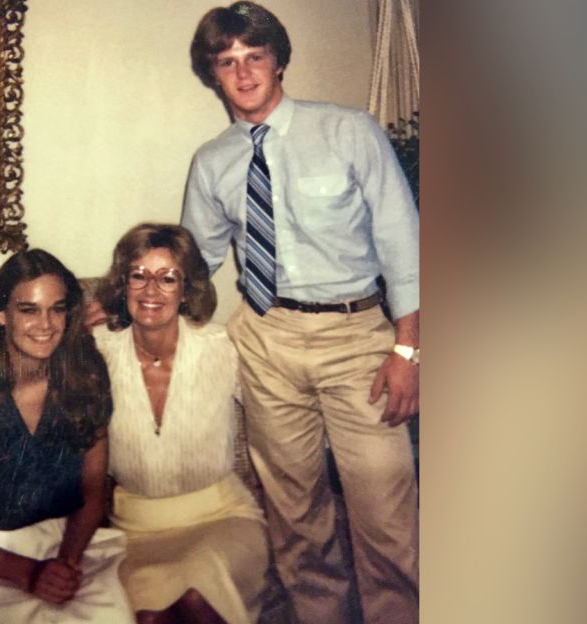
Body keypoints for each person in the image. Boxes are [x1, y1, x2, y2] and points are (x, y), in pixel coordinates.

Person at [181, 3, 420, 623]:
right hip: (266, 339)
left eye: (254, 56)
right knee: (296, 520)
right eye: (226, 62)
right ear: (213, 75)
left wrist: (408, 350)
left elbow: (406, 246)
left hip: (357, 338)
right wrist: (120, 304)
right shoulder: (212, 162)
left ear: (278, 60)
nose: (242, 72)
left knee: (386, 517)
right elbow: (195, 262)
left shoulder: (348, 130)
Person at [0, 249, 135, 623]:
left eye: (57, 308)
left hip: (70, 542)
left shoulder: (87, 376)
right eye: (28, 309)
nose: (45, 324)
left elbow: (94, 491)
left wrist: (64, 565)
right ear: (2, 315)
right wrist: (30, 574)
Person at [91, 223, 269, 624]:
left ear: (187, 290)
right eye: (139, 275)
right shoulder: (97, 353)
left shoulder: (222, 348)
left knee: (194, 595)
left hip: (222, 516)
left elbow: (276, 411)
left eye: (168, 278)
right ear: (123, 286)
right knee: (152, 616)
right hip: (134, 530)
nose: (151, 290)